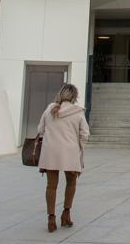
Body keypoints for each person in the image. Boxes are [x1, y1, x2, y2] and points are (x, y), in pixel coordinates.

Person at [37, 83, 90, 232]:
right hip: (70, 152)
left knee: (51, 186)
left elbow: (40, 129)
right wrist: (80, 150)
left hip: (50, 152)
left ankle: (51, 218)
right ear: (75, 96)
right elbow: (85, 135)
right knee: (71, 183)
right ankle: (66, 214)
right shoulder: (78, 112)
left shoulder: (50, 109)